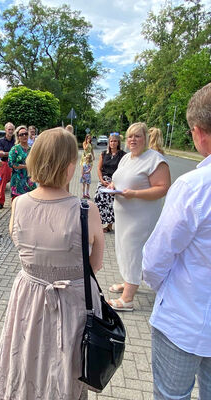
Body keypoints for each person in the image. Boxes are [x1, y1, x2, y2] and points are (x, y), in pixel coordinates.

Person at [0, 127, 104, 400]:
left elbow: (21, 246)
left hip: (28, 296)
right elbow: (96, 264)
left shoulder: (19, 205)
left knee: (29, 357)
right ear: (69, 167)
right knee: (67, 365)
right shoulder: (85, 210)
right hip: (72, 302)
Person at [142, 83, 211, 400]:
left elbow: (156, 259)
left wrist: (162, 288)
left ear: (199, 133)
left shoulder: (195, 187)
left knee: (171, 395)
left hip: (184, 319)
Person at [107, 122, 171, 311]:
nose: (132, 140)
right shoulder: (127, 158)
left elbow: (162, 188)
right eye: (130, 136)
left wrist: (134, 194)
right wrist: (112, 186)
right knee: (124, 250)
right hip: (124, 215)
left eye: (137, 136)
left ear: (146, 138)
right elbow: (120, 179)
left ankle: (128, 299)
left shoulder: (155, 160)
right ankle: (129, 281)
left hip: (141, 217)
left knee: (133, 251)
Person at [94, 133, 126, 232]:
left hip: (116, 181)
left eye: (115, 141)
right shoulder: (104, 154)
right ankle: (98, 222)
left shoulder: (123, 155)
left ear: (118, 142)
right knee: (98, 197)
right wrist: (101, 180)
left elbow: (124, 170)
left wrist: (114, 182)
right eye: (111, 141)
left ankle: (109, 225)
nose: (113, 143)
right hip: (104, 180)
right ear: (109, 142)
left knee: (111, 201)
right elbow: (99, 168)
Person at [8, 125, 37, 200]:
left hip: (30, 180)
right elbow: (11, 163)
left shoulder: (32, 149)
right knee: (17, 204)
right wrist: (25, 166)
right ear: (18, 137)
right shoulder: (15, 149)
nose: (24, 136)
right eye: (21, 134)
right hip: (18, 181)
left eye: (26, 134)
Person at [0, 122, 15, 209]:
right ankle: (0, 202)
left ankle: (14, 201)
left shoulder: (16, 140)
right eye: (9, 129)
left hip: (15, 164)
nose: (10, 131)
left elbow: (16, 153)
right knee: (2, 183)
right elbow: (0, 154)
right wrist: (12, 153)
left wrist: (5, 153)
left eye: (12, 129)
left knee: (15, 183)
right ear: (5, 130)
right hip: (4, 164)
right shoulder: (1, 140)